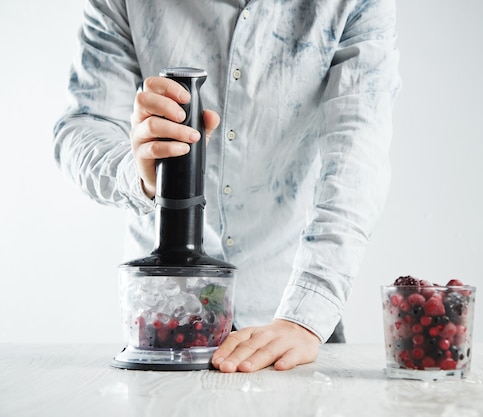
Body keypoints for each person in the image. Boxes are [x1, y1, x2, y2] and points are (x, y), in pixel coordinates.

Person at [53, 0, 400, 373]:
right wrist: (136, 173)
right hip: (165, 322)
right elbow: (83, 126)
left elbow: (356, 153)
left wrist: (305, 316)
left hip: (289, 321)